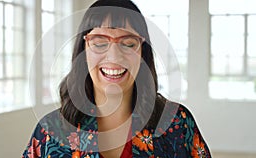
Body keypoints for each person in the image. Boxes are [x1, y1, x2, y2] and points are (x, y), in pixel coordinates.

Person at [22, 0, 211, 157]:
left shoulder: (177, 122)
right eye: (100, 43)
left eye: (128, 44)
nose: (114, 57)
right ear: (84, 51)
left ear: (142, 55)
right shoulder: (50, 132)